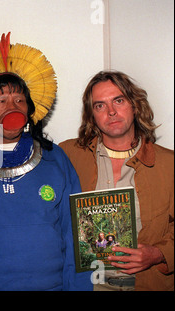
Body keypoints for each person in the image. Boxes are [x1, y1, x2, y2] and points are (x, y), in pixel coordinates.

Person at [0, 32, 92, 291]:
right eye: (1, 101)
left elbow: (78, 234)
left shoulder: (56, 159)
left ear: (30, 110)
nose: (12, 107)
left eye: (20, 100)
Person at [60, 70, 174, 291]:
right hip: (87, 285)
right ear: (91, 115)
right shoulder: (68, 155)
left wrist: (158, 254)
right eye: (100, 105)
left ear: (134, 105)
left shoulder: (169, 164)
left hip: (147, 283)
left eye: (118, 101)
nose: (111, 112)